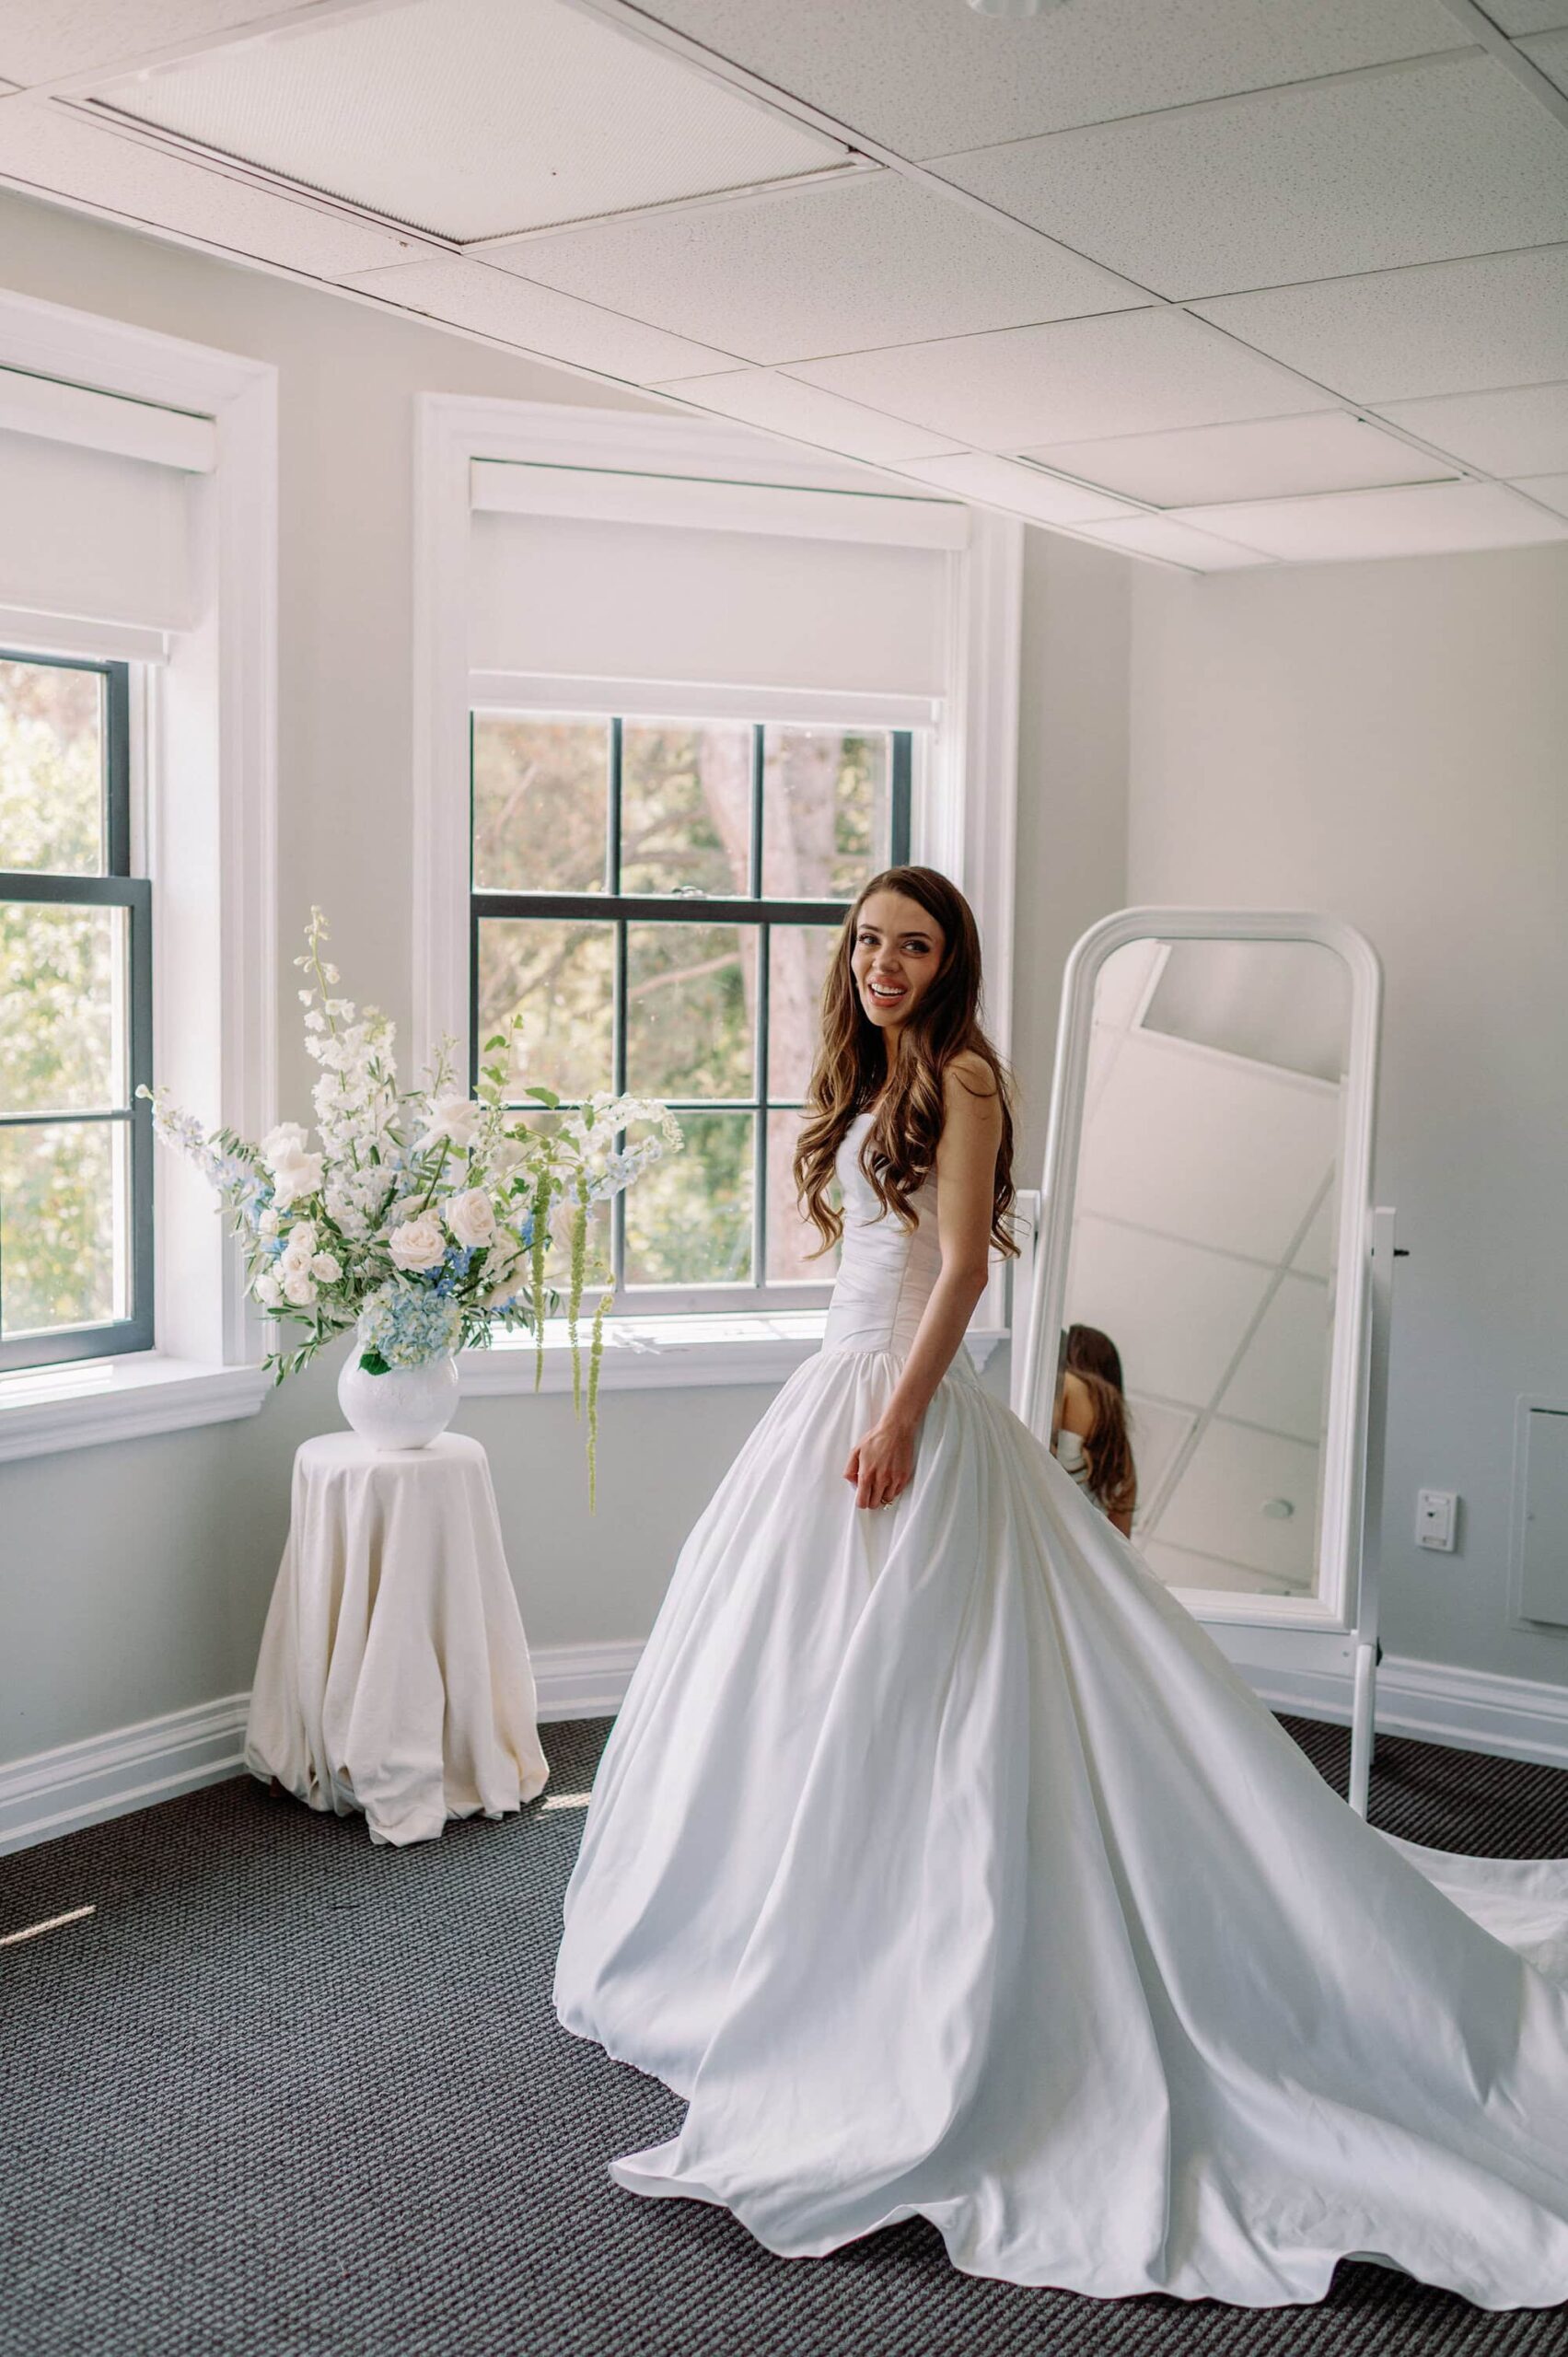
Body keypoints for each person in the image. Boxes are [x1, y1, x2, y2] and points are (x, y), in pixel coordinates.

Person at [552, 864, 1568, 2310]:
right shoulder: (872, 1071)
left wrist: (899, 1414)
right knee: (792, 1680)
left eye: (909, 946)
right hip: (831, 1389)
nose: (880, 963)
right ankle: (794, 1931)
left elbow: (962, 1271)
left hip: (897, 1398)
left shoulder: (961, 1075)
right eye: (866, 941)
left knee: (934, 1693)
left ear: (949, 962)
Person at [1053, 1323, 1137, 1538]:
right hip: (1072, 1550)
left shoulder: (1068, 1386)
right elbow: (1121, 1542)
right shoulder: (1123, 1454)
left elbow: (1030, 1444)